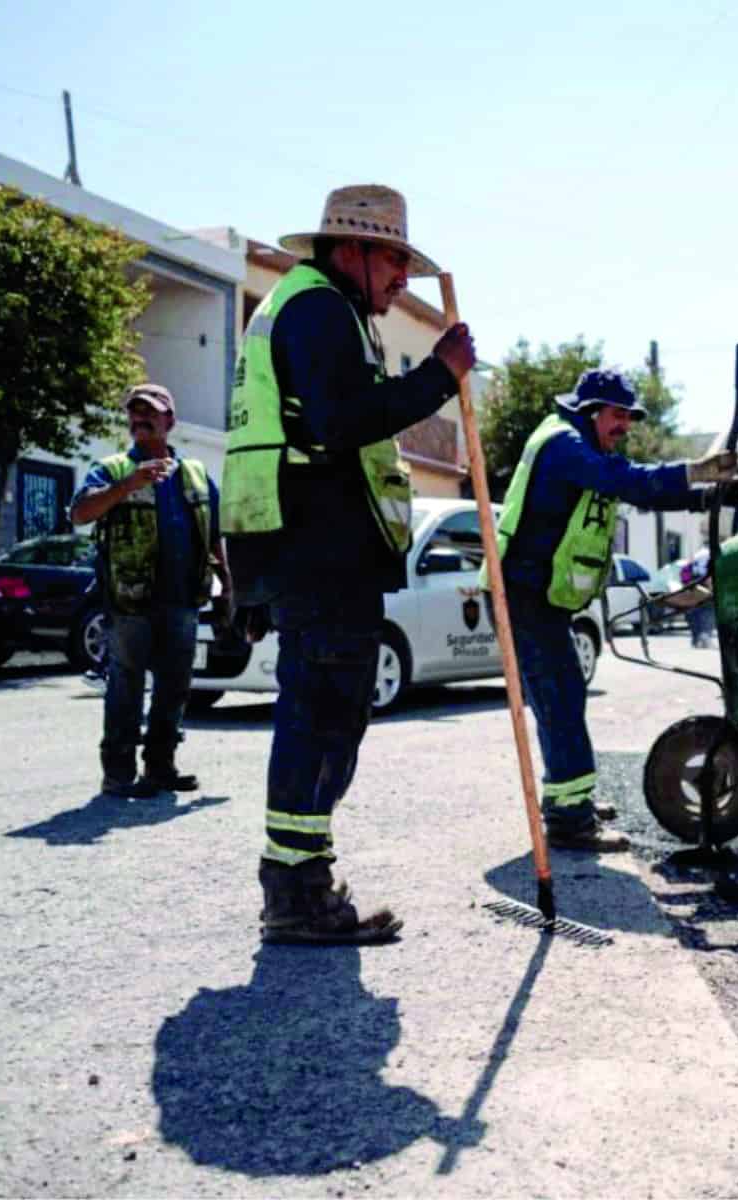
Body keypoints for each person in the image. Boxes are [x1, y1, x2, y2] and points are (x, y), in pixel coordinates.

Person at [223, 184, 477, 944]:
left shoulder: (314, 307)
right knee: (323, 715)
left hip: (309, 544)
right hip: (319, 549)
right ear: (352, 250)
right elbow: (342, 421)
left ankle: (301, 884)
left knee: (326, 712)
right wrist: (438, 376)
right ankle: (297, 896)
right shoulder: (319, 309)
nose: (401, 278)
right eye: (394, 260)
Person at [487, 369, 738, 852]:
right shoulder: (564, 445)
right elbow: (625, 481)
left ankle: (570, 800)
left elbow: (637, 489)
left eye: (629, 417)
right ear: (590, 412)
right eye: (617, 415)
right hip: (522, 593)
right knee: (560, 696)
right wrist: (697, 471)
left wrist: (708, 497)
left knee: (565, 695)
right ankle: (569, 820)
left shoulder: (586, 449)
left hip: (539, 593)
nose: (625, 426)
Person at [70, 383, 227, 798]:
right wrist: (128, 484)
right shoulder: (113, 469)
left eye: (150, 412)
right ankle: (119, 775)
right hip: (129, 600)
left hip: (183, 600)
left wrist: (228, 586)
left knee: (175, 687)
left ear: (169, 421)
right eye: (134, 412)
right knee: (126, 685)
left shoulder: (195, 474)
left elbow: (214, 534)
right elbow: (80, 513)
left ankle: (161, 767)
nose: (140, 418)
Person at [681, 548, 715, 648]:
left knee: (693, 611)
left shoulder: (699, 554)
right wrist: (710, 588)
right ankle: (704, 636)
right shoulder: (709, 554)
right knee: (708, 608)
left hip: (691, 585)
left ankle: (696, 639)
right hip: (701, 583)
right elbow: (708, 575)